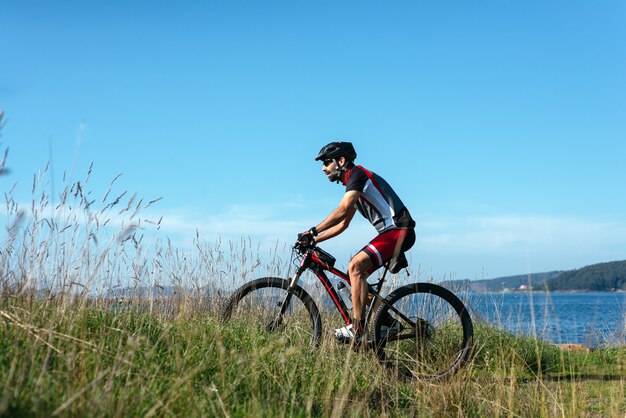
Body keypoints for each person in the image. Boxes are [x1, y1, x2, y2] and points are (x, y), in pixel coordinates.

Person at [298, 141, 416, 344]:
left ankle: (358, 329)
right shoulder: (352, 183)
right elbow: (343, 223)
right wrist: (314, 240)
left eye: (327, 162)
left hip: (399, 230)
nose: (323, 168)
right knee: (356, 282)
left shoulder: (357, 175)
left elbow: (342, 211)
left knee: (355, 266)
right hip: (391, 232)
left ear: (341, 161)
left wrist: (312, 231)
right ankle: (390, 324)